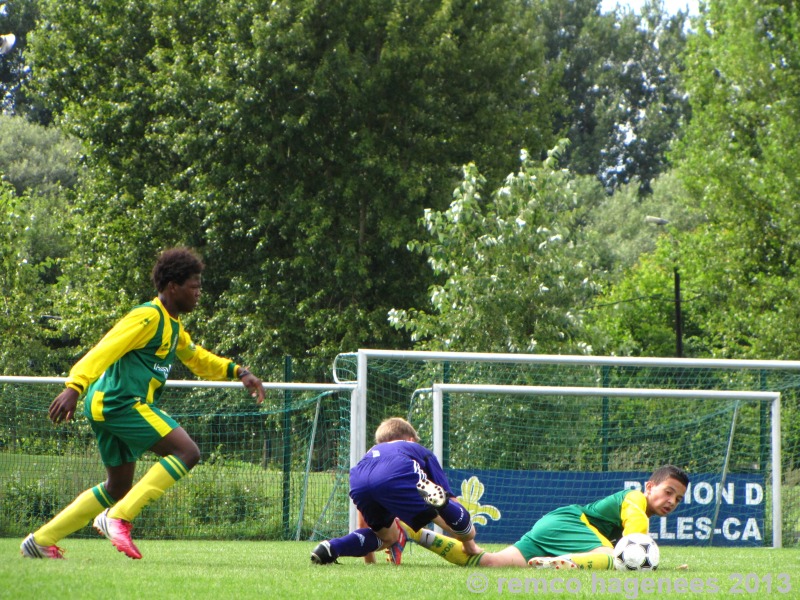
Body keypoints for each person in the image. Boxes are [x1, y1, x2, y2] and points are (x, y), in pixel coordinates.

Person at [20, 247, 265, 560]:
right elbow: (105, 348)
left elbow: (197, 358)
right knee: (187, 452)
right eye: (194, 286)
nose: (198, 293)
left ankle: (40, 541)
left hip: (106, 405)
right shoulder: (148, 316)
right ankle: (117, 517)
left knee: (117, 486)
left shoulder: (173, 327)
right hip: (118, 402)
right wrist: (74, 385)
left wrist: (237, 371)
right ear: (172, 287)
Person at [403, 464, 689, 569]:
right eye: (668, 492)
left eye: (677, 499)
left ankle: (413, 529)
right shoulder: (635, 498)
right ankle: (559, 564)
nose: (671, 501)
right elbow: (635, 530)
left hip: (552, 526)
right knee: (609, 555)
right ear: (650, 486)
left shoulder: (641, 503)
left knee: (487, 560)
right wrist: (643, 561)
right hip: (570, 522)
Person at [310, 417, 482, 566]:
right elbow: (452, 498)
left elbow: (363, 526)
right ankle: (443, 507)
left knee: (387, 537)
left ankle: (332, 547)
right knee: (452, 515)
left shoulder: (371, 454)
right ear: (411, 439)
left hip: (358, 479)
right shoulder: (417, 449)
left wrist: (370, 563)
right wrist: (468, 543)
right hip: (398, 472)